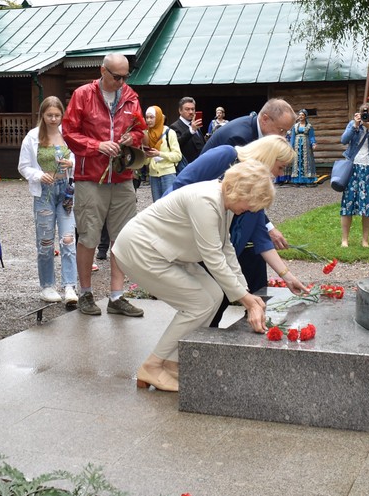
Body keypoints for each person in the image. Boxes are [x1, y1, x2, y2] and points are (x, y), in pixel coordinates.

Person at [111, 160, 275, 392]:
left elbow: (225, 247)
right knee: (198, 303)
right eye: (251, 203)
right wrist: (246, 300)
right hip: (141, 250)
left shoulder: (223, 200)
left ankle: (173, 360)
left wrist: (245, 292)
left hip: (167, 252)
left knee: (214, 296)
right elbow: (212, 257)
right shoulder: (206, 200)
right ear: (240, 190)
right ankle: (152, 366)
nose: (250, 210)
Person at [173, 135, 310, 324]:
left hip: (226, 251)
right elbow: (180, 187)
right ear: (268, 158)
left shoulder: (255, 189)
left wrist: (287, 276)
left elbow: (261, 237)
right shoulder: (225, 155)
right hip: (202, 246)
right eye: (280, 167)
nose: (279, 174)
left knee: (223, 300)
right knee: (207, 308)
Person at [61, 53, 147, 318]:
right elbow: (68, 132)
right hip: (91, 179)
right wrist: (97, 145)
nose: (121, 82)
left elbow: (140, 129)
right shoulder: (83, 95)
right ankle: (85, 293)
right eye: (116, 77)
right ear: (102, 71)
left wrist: (129, 139)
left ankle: (116, 296)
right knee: (88, 236)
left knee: (122, 239)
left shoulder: (131, 96)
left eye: (125, 77)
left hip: (121, 178)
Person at [17, 97, 78, 304]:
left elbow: (77, 158)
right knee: (45, 241)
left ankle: (70, 285)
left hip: (66, 191)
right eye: (49, 115)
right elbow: (23, 166)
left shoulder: (67, 133)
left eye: (57, 115)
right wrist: (38, 175)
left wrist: (71, 163)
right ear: (42, 115)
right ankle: (47, 286)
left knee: (68, 238)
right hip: (44, 192)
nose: (53, 119)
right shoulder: (32, 137)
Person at [339, 103, 369, 248]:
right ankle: (344, 240)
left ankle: (365, 240)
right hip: (353, 169)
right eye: (365, 113)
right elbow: (343, 140)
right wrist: (355, 126)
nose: (368, 116)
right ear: (359, 114)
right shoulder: (354, 125)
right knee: (348, 204)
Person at [202, 98, 296, 152]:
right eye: (281, 130)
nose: (284, 137)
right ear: (265, 119)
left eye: (286, 131)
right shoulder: (241, 139)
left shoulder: (252, 126)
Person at [143, 106, 182, 201]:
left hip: (168, 173)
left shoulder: (169, 132)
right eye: (147, 117)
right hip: (153, 175)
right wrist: (146, 156)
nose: (148, 120)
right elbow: (145, 162)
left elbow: (178, 156)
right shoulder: (146, 134)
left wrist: (159, 154)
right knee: (157, 206)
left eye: (151, 117)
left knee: (169, 204)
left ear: (158, 117)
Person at [168, 97, 204, 174]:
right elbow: (178, 143)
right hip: (186, 169)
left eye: (193, 109)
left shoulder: (196, 125)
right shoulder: (174, 127)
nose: (191, 112)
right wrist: (191, 130)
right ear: (180, 111)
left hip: (200, 166)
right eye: (187, 109)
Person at [285, 110, 318, 185]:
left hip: (306, 145)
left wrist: (313, 143)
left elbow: (311, 136)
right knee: (297, 160)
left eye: (302, 115)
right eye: (299, 115)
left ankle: (307, 180)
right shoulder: (295, 126)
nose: (300, 116)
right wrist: (291, 146)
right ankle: (297, 180)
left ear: (305, 116)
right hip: (297, 145)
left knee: (306, 161)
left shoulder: (309, 126)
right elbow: (293, 136)